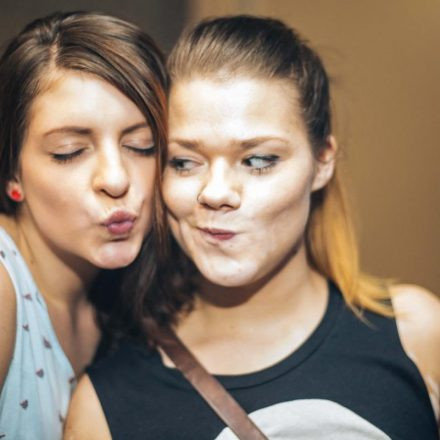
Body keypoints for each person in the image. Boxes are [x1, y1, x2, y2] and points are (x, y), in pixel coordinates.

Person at [65, 15, 440, 439]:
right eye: (184, 162)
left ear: (322, 161)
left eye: (258, 160)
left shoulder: (417, 334)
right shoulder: (104, 406)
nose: (216, 192)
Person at [0, 11, 167, 440]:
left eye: (141, 145)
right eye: (70, 151)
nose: (116, 179)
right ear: (12, 174)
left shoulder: (127, 294)